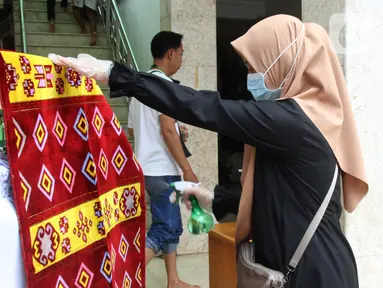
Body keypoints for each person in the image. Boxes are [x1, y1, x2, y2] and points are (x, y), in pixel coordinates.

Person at [48, 14, 369, 288]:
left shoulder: (295, 122)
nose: (250, 78)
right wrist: (212, 197)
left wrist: (116, 74)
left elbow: (206, 108)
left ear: (281, 61)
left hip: (318, 274)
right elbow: (277, 201)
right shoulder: (293, 120)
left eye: (253, 66)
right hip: (295, 270)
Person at [125, 31, 200, 288]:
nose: (181, 59)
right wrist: (187, 169)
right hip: (162, 169)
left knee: (171, 224)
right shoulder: (164, 86)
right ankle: (124, 278)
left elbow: (136, 130)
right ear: (170, 53)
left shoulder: (139, 86)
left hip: (145, 168)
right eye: (181, 53)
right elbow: (166, 129)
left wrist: (177, 131)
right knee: (164, 228)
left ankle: (173, 280)